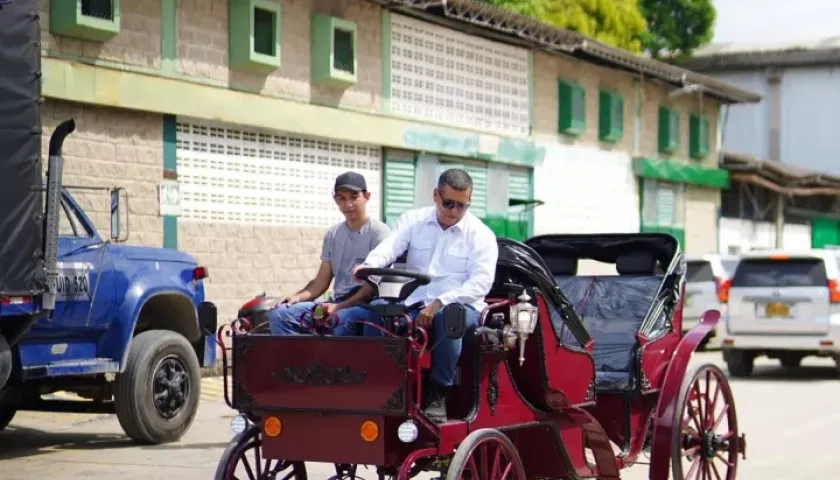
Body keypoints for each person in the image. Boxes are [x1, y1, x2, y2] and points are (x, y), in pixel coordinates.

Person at [348, 168, 499, 423]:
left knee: (451, 317)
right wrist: (368, 265)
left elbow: (481, 284)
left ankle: (438, 393)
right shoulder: (413, 220)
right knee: (375, 311)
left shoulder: (481, 235)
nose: (454, 211)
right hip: (414, 304)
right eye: (448, 203)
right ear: (436, 195)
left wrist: (440, 302)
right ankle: (382, 385)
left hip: (461, 308)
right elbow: (391, 246)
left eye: (462, 206)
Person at [268, 171, 392, 336]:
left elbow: (371, 288)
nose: (348, 205)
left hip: (365, 305)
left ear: (367, 196)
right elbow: (321, 282)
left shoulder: (379, 232)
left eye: (354, 197)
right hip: (337, 302)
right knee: (280, 314)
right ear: (335, 199)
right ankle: (300, 361)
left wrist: (339, 307)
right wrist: (296, 297)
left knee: (340, 319)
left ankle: (338, 362)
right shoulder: (333, 234)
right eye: (341, 198)